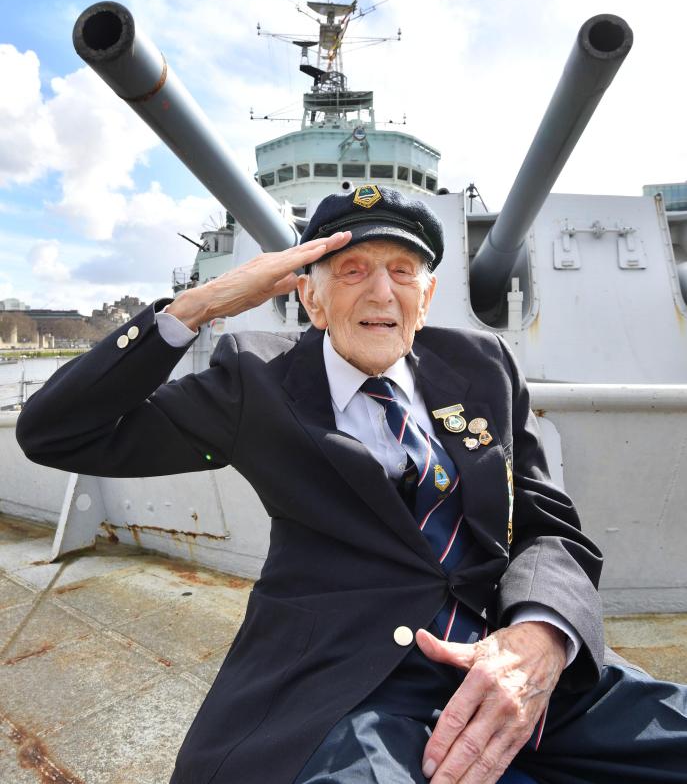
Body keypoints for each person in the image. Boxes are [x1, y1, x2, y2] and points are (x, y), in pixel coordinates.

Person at [15, 185, 687, 784]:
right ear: (310, 295)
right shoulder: (257, 381)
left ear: (425, 298)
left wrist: (541, 631)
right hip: (351, 684)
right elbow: (55, 432)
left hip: (512, 657)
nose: (379, 291)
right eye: (351, 270)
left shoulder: (482, 365)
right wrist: (201, 304)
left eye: (402, 271)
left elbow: (544, 523)